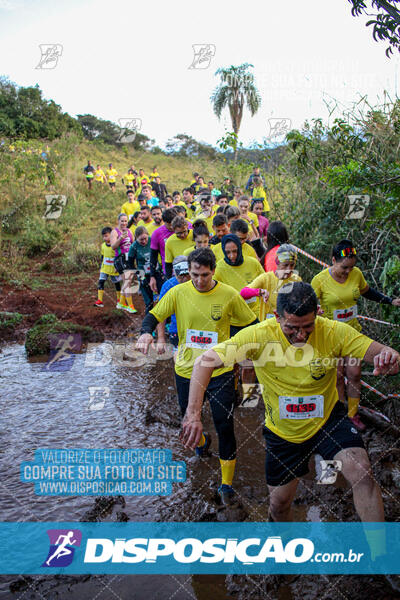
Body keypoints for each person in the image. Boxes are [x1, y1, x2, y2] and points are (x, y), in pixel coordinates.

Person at [181, 281, 400, 521]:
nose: (301, 335)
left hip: (327, 421)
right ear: (276, 317)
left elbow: (383, 353)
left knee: (361, 473)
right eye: (292, 328)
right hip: (283, 433)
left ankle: (380, 555)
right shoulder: (259, 335)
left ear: (317, 313)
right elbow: (204, 362)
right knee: (279, 504)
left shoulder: (334, 331)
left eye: (308, 326)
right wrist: (193, 414)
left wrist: (389, 358)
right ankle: (283, 551)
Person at [136, 248, 258, 504]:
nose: (199, 281)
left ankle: (226, 485)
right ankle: (203, 443)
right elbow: (154, 314)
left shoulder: (228, 295)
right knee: (189, 422)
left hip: (220, 372)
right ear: (187, 272)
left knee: (225, 425)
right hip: (185, 371)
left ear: (213, 271)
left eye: (204, 275)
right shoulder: (178, 293)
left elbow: (251, 324)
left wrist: (237, 348)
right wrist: (146, 332)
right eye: (194, 275)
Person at [311, 239, 400, 431]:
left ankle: (353, 414)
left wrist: (389, 301)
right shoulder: (319, 280)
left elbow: (368, 292)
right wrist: (313, 312)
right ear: (333, 260)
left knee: (354, 374)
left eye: (351, 267)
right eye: (344, 267)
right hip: (330, 336)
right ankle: (340, 415)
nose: (348, 271)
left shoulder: (356, 274)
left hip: (352, 334)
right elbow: (308, 303)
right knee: (336, 377)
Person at [241, 244, 301, 321]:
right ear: (277, 262)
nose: (288, 269)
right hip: (267, 326)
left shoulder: (296, 280)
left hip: (288, 324)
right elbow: (243, 293)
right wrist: (260, 292)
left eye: (292, 265)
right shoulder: (266, 278)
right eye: (285, 265)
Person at [214, 234, 264, 319]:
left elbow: (265, 282)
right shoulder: (218, 268)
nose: (232, 256)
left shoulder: (253, 263)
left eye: (235, 251)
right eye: (228, 252)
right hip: (233, 319)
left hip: (255, 315)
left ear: (240, 249)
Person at [156, 256, 191, 349]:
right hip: (177, 330)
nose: (185, 279)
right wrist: (161, 338)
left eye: (187, 275)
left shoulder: (198, 282)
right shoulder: (168, 285)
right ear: (174, 272)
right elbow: (160, 313)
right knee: (179, 360)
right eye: (181, 276)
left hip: (197, 330)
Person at [127, 226, 162, 313]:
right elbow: (130, 263)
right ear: (136, 238)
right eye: (141, 240)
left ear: (148, 235)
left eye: (145, 238)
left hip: (156, 272)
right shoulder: (134, 246)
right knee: (149, 301)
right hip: (143, 274)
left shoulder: (152, 240)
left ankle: (166, 321)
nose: (144, 241)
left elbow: (162, 253)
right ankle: (148, 324)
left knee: (162, 297)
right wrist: (139, 275)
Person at [110, 213, 137, 313]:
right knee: (127, 281)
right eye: (122, 221)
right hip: (120, 259)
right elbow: (113, 246)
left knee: (127, 281)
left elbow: (134, 244)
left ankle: (121, 303)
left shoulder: (129, 231)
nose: (124, 223)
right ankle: (130, 305)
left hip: (128, 259)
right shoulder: (115, 232)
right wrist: (120, 238)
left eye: (125, 221)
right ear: (118, 221)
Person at [149, 208, 178, 291]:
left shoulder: (186, 227)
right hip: (169, 272)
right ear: (164, 221)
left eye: (174, 223)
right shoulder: (157, 233)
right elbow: (153, 256)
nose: (172, 227)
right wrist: (152, 276)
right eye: (169, 224)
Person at [94, 226, 122, 308]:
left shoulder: (115, 246)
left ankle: (119, 300)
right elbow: (102, 257)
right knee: (101, 282)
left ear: (112, 235)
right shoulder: (103, 246)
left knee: (117, 284)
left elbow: (118, 257)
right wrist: (101, 267)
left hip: (114, 269)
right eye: (103, 236)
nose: (104, 238)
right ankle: (100, 300)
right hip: (104, 269)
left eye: (106, 236)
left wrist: (118, 267)